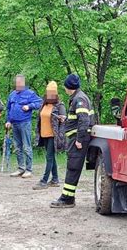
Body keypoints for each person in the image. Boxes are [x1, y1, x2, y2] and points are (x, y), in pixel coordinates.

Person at [50, 74, 95, 208]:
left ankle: (67, 199)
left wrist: (79, 140)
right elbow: (78, 118)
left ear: (68, 87)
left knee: (73, 168)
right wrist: (67, 119)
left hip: (78, 139)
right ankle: (68, 197)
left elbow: (84, 120)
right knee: (72, 167)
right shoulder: (78, 97)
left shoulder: (79, 98)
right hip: (76, 137)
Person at [6, 75, 42, 179]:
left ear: (23, 83)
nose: (18, 85)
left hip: (25, 123)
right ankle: (20, 168)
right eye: (17, 83)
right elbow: (8, 109)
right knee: (17, 147)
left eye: (20, 83)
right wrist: (8, 121)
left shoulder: (30, 93)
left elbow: (39, 102)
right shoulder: (12, 94)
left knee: (26, 147)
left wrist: (29, 106)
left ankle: (29, 169)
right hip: (14, 124)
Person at [33, 81, 66, 190]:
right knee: (51, 157)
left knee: (49, 157)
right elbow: (40, 118)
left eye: (52, 92)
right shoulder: (44, 104)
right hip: (44, 134)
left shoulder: (60, 105)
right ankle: (55, 179)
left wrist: (63, 119)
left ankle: (44, 181)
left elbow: (64, 121)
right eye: (48, 92)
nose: (50, 94)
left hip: (53, 135)